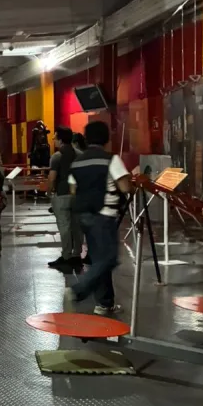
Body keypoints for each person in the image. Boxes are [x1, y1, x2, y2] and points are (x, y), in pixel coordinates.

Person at [65, 121, 131, 315]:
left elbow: (73, 189)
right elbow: (125, 187)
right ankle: (77, 290)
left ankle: (104, 303)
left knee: (98, 259)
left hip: (83, 215)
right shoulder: (111, 160)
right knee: (109, 259)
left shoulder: (78, 162)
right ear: (106, 138)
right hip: (104, 215)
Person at [47, 127, 83, 268]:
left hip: (62, 195)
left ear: (61, 140)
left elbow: (52, 178)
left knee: (64, 227)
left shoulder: (57, 156)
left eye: (55, 137)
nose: (53, 140)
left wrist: (49, 192)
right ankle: (77, 255)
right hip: (77, 195)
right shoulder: (80, 154)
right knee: (77, 226)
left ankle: (66, 256)